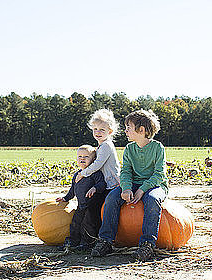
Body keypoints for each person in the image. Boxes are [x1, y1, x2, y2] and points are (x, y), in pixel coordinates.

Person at [91, 109, 167, 262]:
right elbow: (125, 171)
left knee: (152, 200)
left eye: (128, 127)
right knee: (112, 197)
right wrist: (126, 188)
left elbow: (159, 174)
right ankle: (106, 240)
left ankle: (147, 244)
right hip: (132, 184)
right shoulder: (129, 149)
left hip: (155, 185)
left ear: (141, 130)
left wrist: (142, 190)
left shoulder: (157, 148)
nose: (125, 131)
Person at [72, 109, 121, 247]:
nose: (98, 132)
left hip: (113, 184)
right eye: (95, 129)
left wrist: (83, 173)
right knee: (93, 205)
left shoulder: (106, 146)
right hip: (105, 184)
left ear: (110, 131)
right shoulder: (101, 145)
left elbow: (97, 164)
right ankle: (86, 237)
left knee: (94, 207)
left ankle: (93, 239)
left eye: (102, 130)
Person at [57, 144, 107, 251]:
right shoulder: (77, 175)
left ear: (93, 160)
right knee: (75, 222)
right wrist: (66, 198)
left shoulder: (95, 173)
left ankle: (88, 243)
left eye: (86, 157)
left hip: (91, 206)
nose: (82, 159)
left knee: (88, 224)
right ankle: (73, 241)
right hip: (81, 205)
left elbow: (102, 184)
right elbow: (73, 190)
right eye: (80, 156)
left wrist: (95, 188)